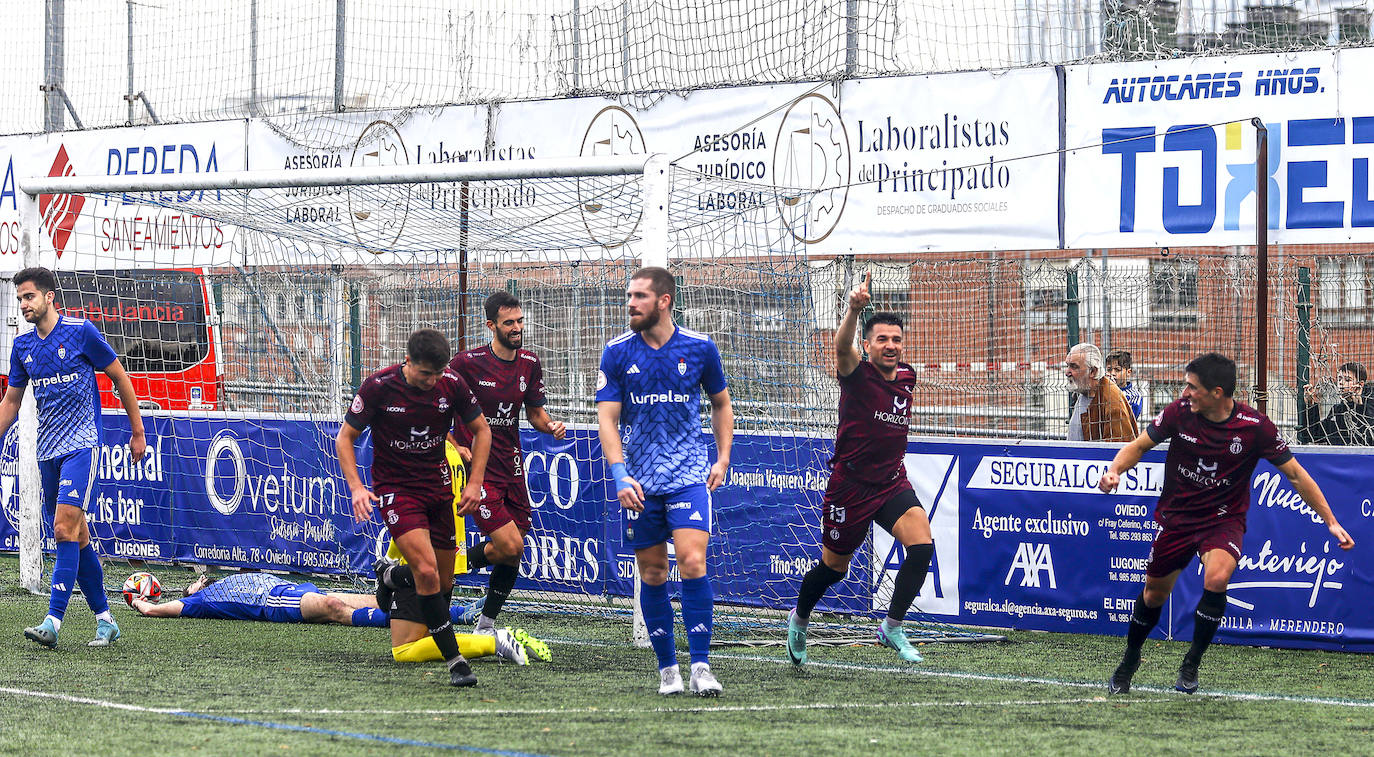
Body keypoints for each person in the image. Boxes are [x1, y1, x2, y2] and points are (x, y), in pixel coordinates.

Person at [1099, 352, 1354, 695]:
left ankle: (1191, 664)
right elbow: (1140, 445)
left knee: (1217, 576)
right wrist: (1114, 470)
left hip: (1223, 520)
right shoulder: (1178, 413)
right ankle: (1130, 660)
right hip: (1178, 517)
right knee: (1154, 594)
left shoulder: (1255, 427)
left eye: (1192, 387)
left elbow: (1295, 474)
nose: (1185, 392)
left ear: (1217, 393)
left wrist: (1331, 521)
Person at [596, 267, 733, 697]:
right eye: (629, 296)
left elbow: (721, 403)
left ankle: (701, 666)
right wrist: (620, 474)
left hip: (689, 477)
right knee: (652, 573)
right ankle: (668, 670)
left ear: (664, 300)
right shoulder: (617, 352)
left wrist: (723, 457)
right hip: (639, 484)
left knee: (693, 562)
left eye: (639, 296)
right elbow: (607, 417)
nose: (631, 303)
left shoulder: (700, 348)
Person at [786, 272, 934, 668]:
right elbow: (840, 348)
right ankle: (799, 619)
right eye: (882, 339)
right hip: (849, 486)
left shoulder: (907, 377)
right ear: (867, 345)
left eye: (896, 339)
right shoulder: (855, 373)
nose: (890, 346)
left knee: (921, 547)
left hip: (890, 483)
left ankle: (892, 626)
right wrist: (853, 309)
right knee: (835, 568)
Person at [335, 328, 492, 688]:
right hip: (397, 492)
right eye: (426, 374)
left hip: (439, 491)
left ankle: (390, 577)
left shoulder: (451, 383)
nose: (432, 381)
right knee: (426, 571)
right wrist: (358, 487)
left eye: (437, 373)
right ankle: (456, 662)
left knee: (445, 578)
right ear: (407, 363)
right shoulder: (379, 386)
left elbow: (482, 431)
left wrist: (475, 483)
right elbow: (345, 437)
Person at [0, 267, 147, 649]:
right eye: (19, 299)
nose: (23, 305)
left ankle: (52, 621)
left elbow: (120, 377)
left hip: (82, 444)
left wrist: (138, 432)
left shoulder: (81, 332)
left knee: (64, 528)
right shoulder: (23, 347)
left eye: (29, 297)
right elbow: (11, 403)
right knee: (76, 537)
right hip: (47, 450)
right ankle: (106, 620)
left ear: (50, 297)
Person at [447, 291, 565, 643]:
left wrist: (551, 425)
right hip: (476, 466)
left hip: (511, 464)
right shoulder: (467, 363)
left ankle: (484, 623)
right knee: (510, 545)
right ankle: (424, 573)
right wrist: (453, 444)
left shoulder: (529, 363)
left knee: (512, 549)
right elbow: (436, 402)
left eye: (519, 321)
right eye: (508, 323)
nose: (516, 328)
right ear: (491, 326)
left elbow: (535, 413)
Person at [128, 572, 532, 665]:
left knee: (362, 597)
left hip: (288, 588)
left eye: (195, 582)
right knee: (336, 610)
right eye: (191, 586)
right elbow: (178, 608)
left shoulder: (225, 577)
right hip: (274, 604)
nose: (193, 586)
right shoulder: (208, 600)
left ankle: (462, 612)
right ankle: (403, 621)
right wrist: (148, 607)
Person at [1065, 342, 1138, 442]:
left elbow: (1116, 450)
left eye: (1074, 366)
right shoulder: (1083, 390)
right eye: (1067, 365)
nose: (1067, 372)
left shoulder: (1111, 401)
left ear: (1092, 372)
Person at [1298, 361, 1374, 446]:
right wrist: (1311, 405)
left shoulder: (1370, 406)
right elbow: (1314, 435)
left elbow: (1367, 437)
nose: (1341, 382)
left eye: (1347, 379)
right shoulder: (1337, 410)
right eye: (1340, 379)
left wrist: (1358, 406)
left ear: (1360, 384)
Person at [1105, 349, 1146, 422]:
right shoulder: (1101, 390)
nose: (1112, 373)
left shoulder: (1134, 396)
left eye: (1117, 370)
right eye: (1109, 369)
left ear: (1128, 372)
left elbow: (1124, 422)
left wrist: (1112, 390)